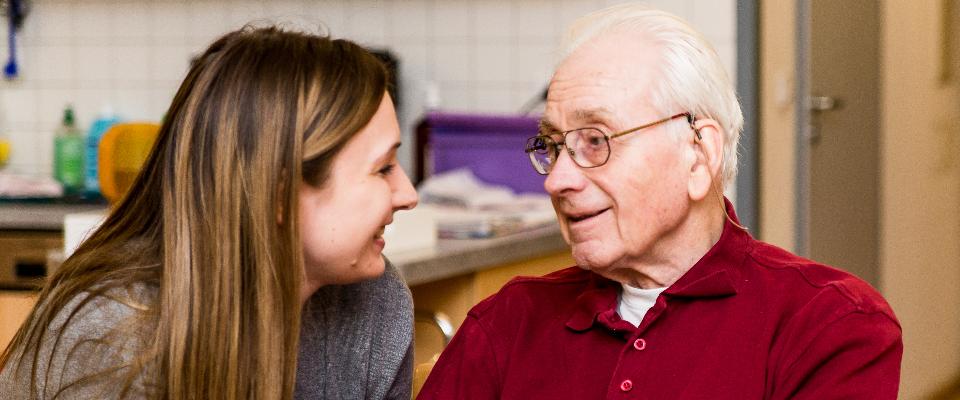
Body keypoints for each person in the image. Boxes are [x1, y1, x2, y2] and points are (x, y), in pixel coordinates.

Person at [418, 4, 902, 399]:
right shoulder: (507, 322)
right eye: (553, 145)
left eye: (596, 139)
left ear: (698, 154)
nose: (557, 180)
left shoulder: (831, 326)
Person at [0, 26, 418, 399]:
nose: (408, 194)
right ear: (279, 194)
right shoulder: (112, 340)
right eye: (382, 168)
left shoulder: (375, 305)